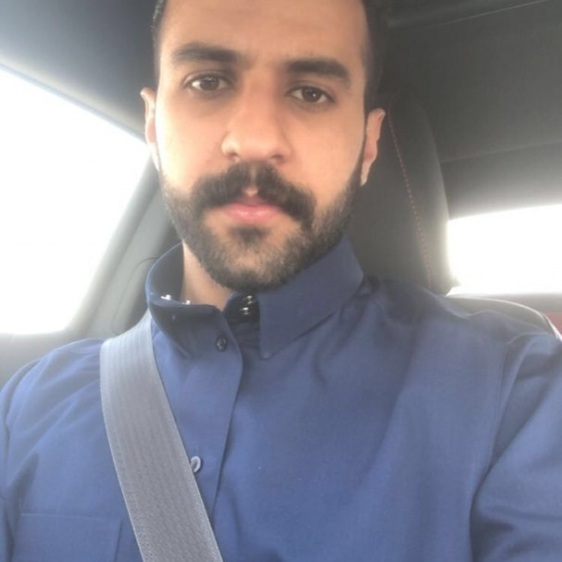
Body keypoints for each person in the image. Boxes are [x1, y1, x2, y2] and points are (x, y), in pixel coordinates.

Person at [1, 0, 562, 560]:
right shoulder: (28, 408)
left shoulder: (516, 398)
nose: (253, 139)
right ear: (153, 126)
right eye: (207, 82)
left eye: (310, 93)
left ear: (368, 145)